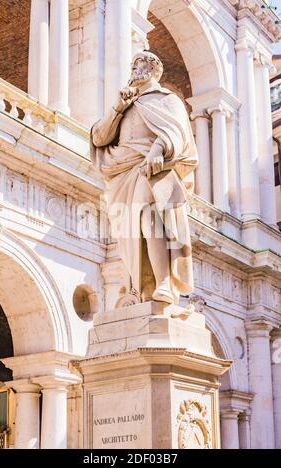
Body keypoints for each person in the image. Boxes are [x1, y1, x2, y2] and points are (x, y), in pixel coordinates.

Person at [90, 51, 198, 305]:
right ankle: (138, 288)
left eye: (139, 63)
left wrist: (158, 149)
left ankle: (162, 282)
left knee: (150, 218)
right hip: (121, 173)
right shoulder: (126, 103)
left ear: (153, 68)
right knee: (128, 236)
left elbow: (177, 132)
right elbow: (99, 139)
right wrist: (118, 108)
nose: (134, 68)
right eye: (133, 63)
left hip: (151, 170)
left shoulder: (166, 100)